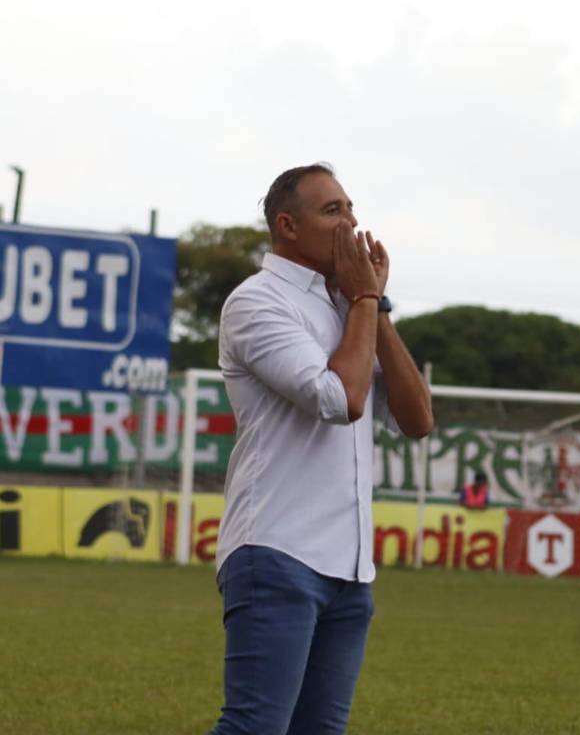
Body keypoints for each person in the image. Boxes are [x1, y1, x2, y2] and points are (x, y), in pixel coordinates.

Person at [209, 163, 434, 735]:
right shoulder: (256, 302)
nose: (351, 223)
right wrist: (363, 298)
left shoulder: (348, 306)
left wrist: (373, 306)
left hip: (350, 567)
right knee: (254, 727)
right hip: (278, 548)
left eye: (351, 208)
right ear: (287, 225)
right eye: (333, 210)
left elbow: (417, 419)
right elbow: (340, 399)